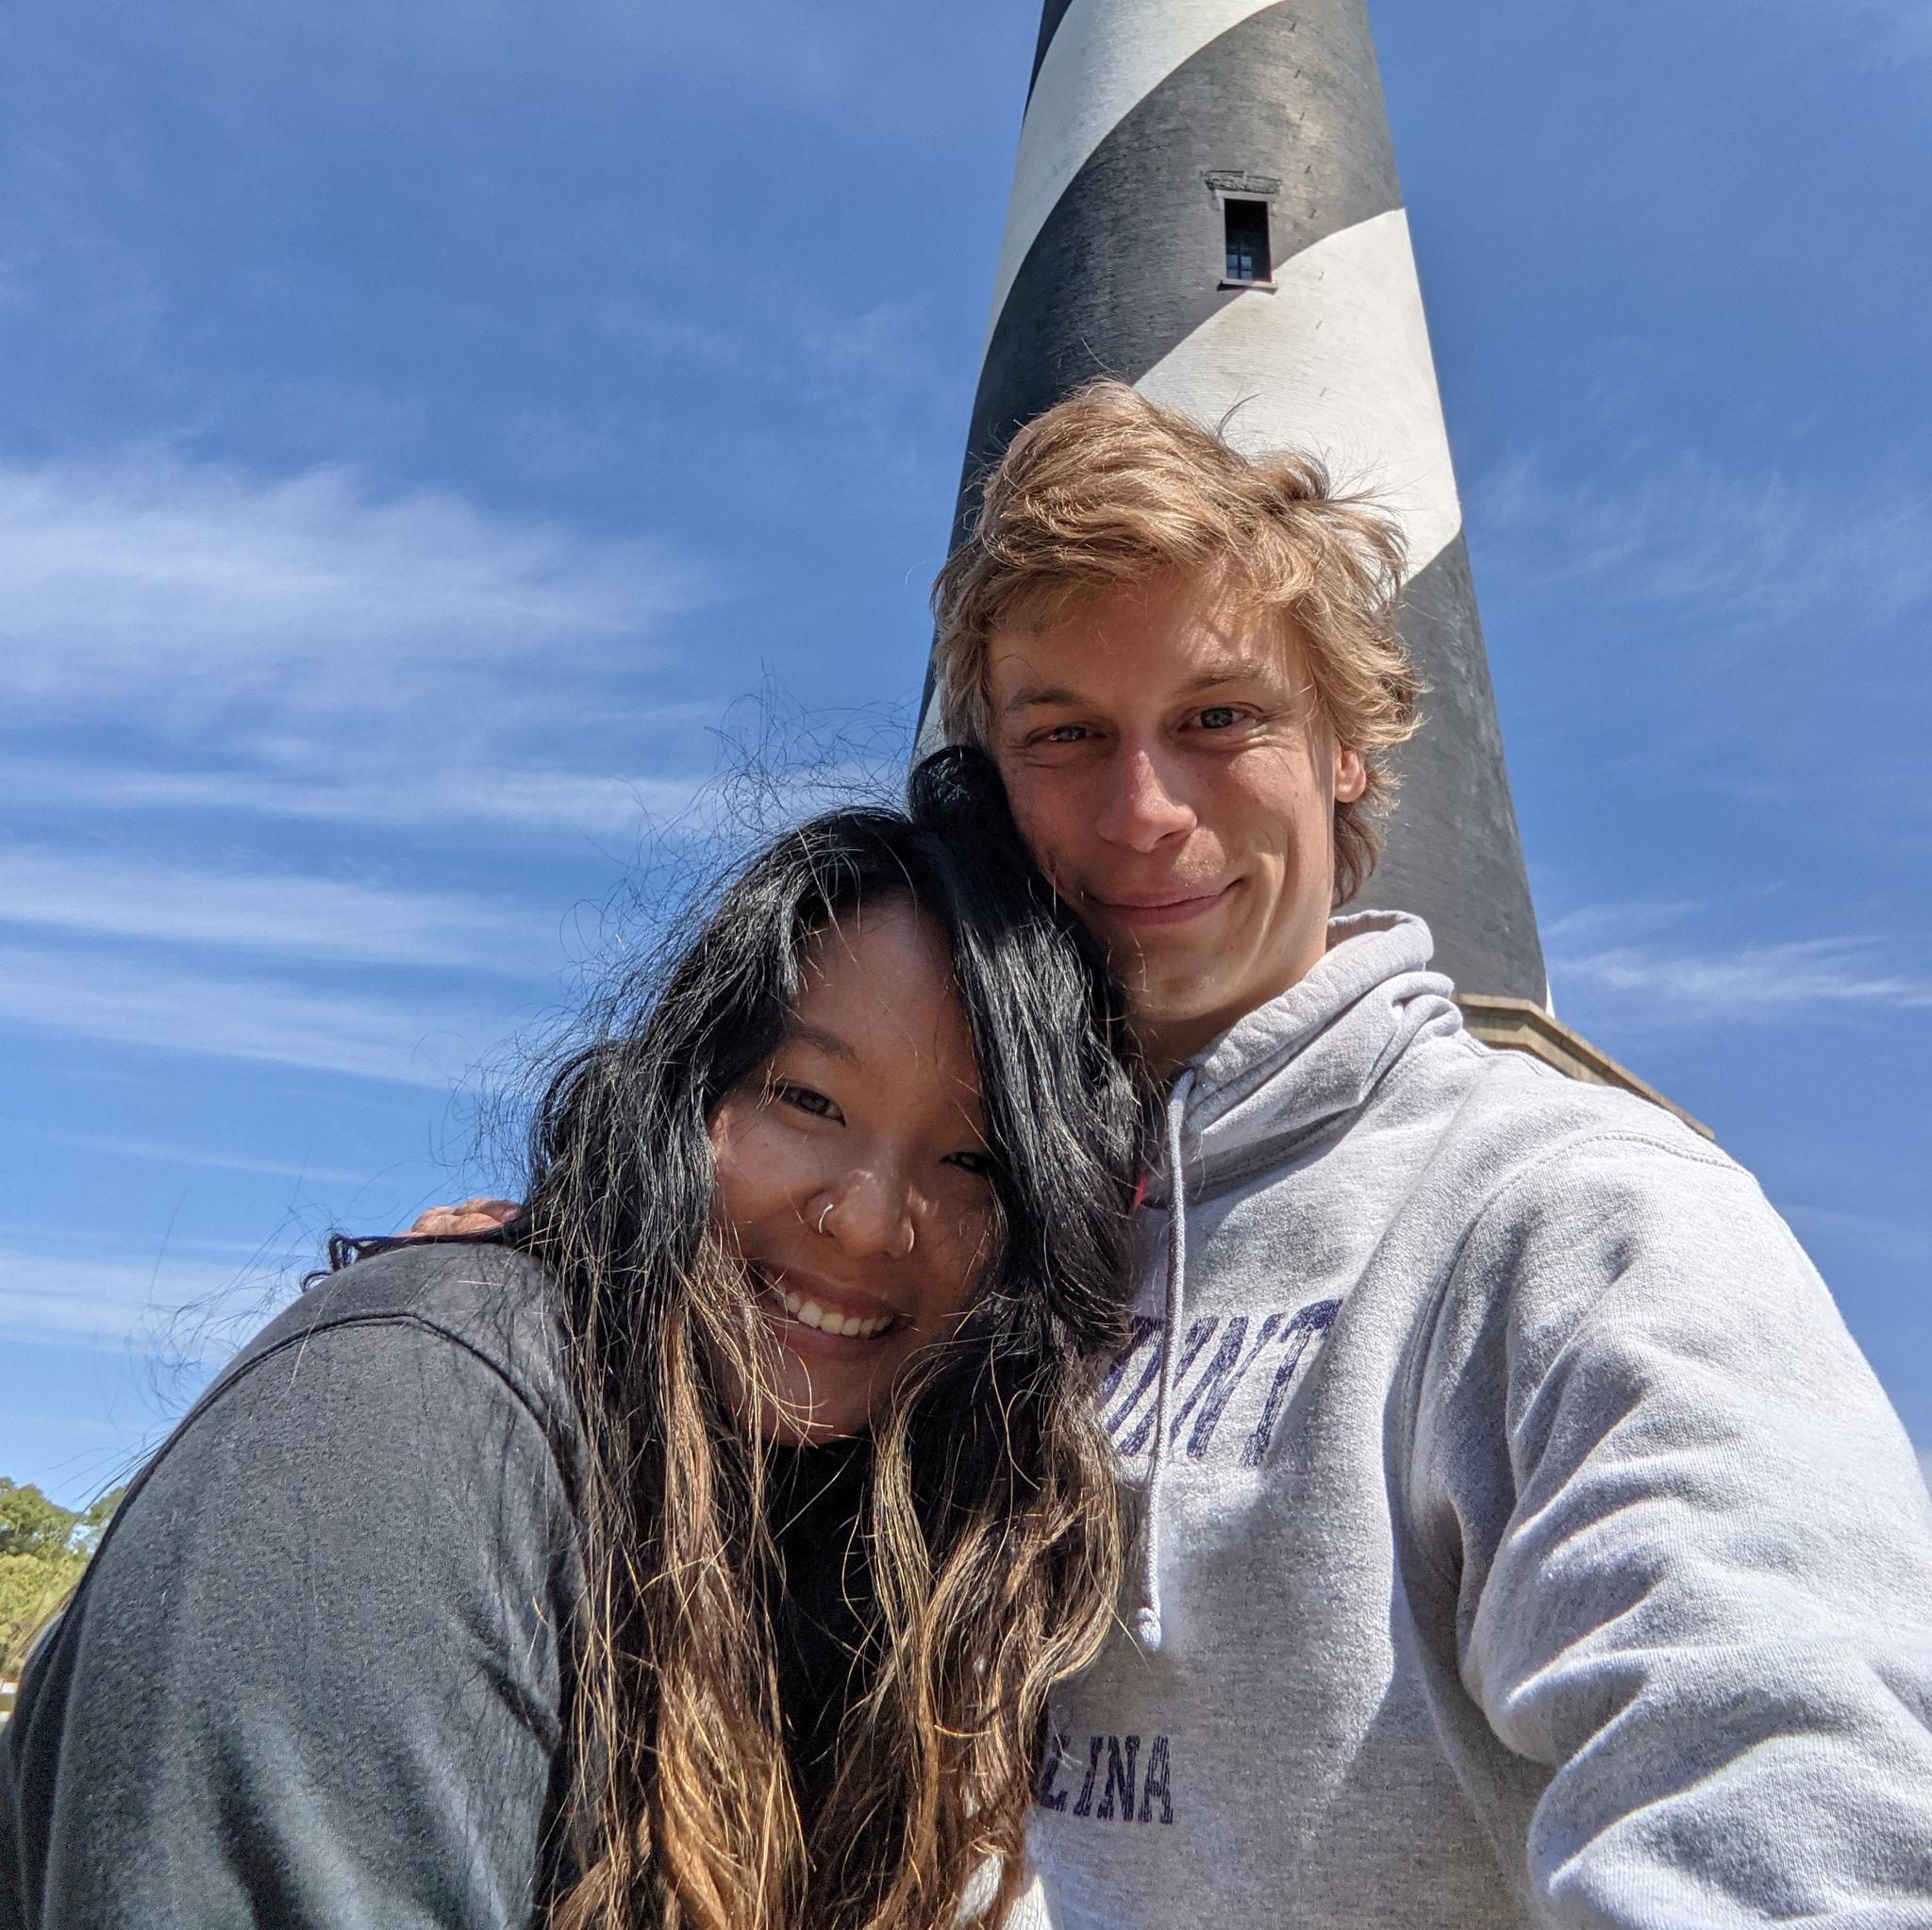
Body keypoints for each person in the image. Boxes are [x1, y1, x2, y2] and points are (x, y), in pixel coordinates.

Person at [926, 381, 1932, 1925]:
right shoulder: (944, 1218)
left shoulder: (1571, 1210)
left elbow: (1789, 1778)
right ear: (984, 779)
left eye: (1218, 718)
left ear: (1343, 747)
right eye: (1064, 733)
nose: (1140, 812)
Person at [0, 750, 1147, 1930]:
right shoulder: (413, 1419)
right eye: (806, 1101)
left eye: (970, 1162)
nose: (862, 1220)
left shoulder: (850, 1539)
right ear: (684, 1091)